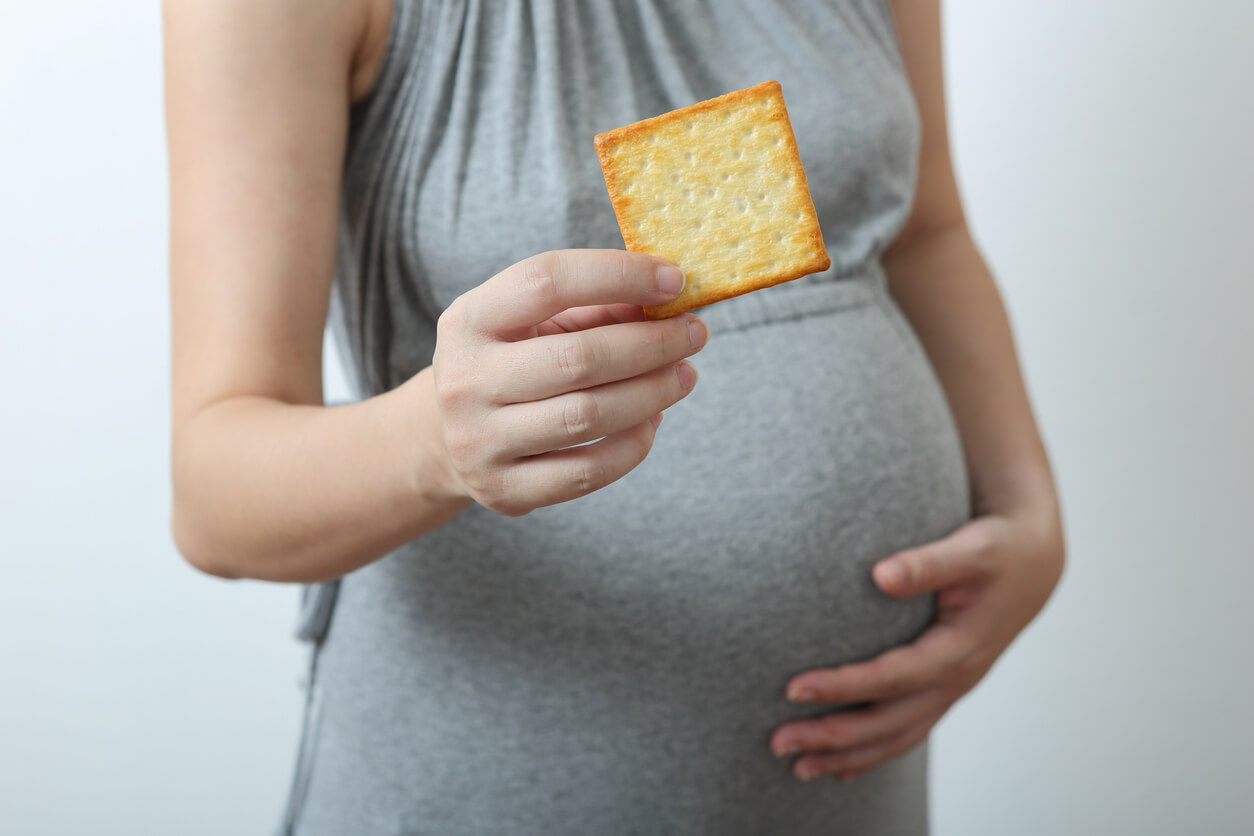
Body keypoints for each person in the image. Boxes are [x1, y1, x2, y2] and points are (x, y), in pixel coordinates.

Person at [163, 0, 1064, 833]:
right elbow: (215, 495)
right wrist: (432, 441)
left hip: (852, 788)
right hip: (493, 780)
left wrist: (1029, 508)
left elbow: (921, 232)